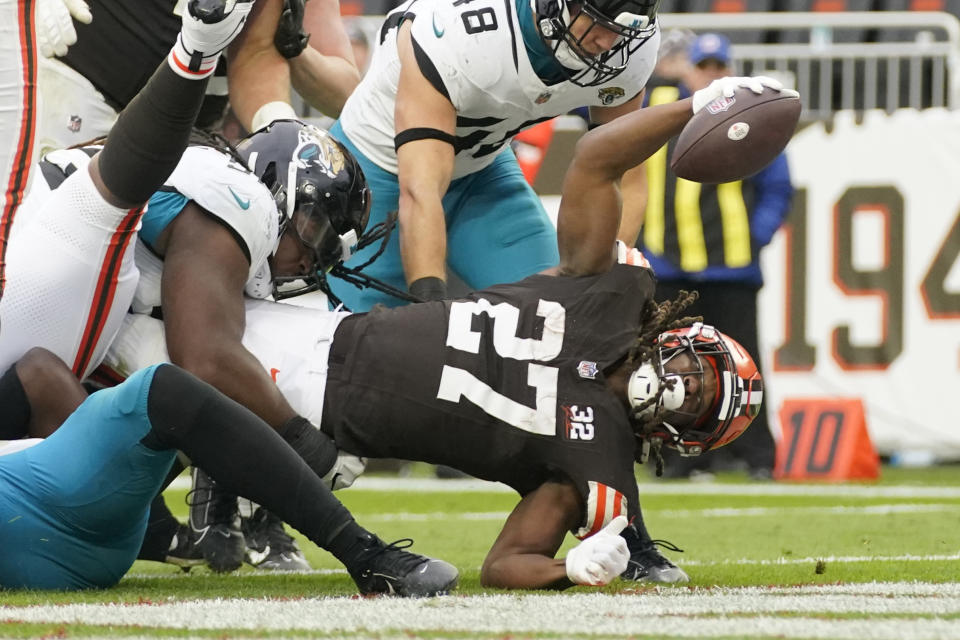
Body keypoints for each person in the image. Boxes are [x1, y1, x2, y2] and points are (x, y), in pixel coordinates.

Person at [100, 76, 780, 588]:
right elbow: (597, 157)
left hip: (309, 399)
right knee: (131, 281)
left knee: (114, 345)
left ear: (681, 439)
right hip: (325, 328)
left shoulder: (597, 472)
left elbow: (506, 564)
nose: (683, 389)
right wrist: (695, 106)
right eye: (697, 372)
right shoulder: (611, 292)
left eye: (698, 402)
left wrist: (572, 571)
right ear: (679, 335)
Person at [2, 0, 370, 574]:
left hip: (87, 244)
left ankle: (185, 516)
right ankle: (197, 518)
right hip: (83, 129)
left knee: (163, 374)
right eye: (312, 230)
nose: (307, 258)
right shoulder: (219, 194)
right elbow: (203, 365)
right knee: (187, 376)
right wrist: (302, 442)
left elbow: (265, 57)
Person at [325, 0, 663, 312]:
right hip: (378, 174)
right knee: (372, 346)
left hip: (481, 171)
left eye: (622, 30)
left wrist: (605, 269)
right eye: (598, 21)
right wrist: (428, 312)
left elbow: (623, 174)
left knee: (560, 313)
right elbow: (419, 190)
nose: (607, 42)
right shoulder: (462, 33)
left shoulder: (631, 50)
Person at [637, 33, 793, 481]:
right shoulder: (660, 103)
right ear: (686, 69)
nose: (710, 74)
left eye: (717, 66)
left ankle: (758, 457)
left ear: (730, 69)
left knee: (745, 365)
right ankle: (687, 457)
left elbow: (778, 186)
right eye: (701, 65)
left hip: (732, 266)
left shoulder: (752, 111)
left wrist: (752, 238)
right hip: (670, 264)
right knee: (676, 369)